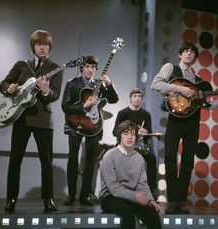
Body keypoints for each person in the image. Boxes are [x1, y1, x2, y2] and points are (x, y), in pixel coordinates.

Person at [151, 41, 218, 214]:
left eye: (192, 52)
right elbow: (155, 84)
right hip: (175, 121)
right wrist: (179, 89)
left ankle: (181, 201)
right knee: (169, 159)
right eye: (186, 50)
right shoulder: (170, 68)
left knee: (187, 162)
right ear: (180, 54)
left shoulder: (198, 81)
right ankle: (172, 200)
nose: (189, 53)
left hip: (192, 122)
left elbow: (204, 105)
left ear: (195, 57)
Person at [0, 30, 62, 212]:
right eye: (38, 44)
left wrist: (45, 90)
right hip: (21, 118)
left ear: (50, 47)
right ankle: (11, 199)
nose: (42, 47)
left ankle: (48, 199)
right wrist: (8, 87)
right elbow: (3, 84)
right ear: (33, 46)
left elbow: (54, 95)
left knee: (46, 162)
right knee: (15, 160)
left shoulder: (55, 68)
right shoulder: (21, 65)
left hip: (43, 120)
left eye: (46, 44)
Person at [61, 55, 119, 206]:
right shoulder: (72, 84)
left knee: (90, 161)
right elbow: (65, 107)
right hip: (75, 124)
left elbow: (114, 99)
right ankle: (71, 195)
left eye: (93, 67)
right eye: (87, 66)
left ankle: (85, 196)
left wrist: (110, 83)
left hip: (94, 125)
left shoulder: (100, 85)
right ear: (82, 67)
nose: (90, 69)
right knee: (73, 157)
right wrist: (83, 107)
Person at [99, 120, 162, 229]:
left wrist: (150, 200)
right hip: (110, 197)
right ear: (120, 137)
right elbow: (113, 188)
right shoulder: (109, 156)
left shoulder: (139, 158)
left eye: (132, 134)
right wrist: (135, 196)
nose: (129, 137)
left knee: (153, 216)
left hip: (131, 197)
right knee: (128, 215)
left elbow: (142, 184)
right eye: (126, 134)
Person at [113, 88, 158, 198]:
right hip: (124, 145)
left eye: (139, 96)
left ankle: (151, 190)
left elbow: (149, 133)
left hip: (140, 145)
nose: (137, 98)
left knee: (152, 158)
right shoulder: (122, 113)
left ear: (142, 99)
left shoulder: (146, 115)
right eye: (135, 96)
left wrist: (145, 132)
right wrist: (126, 131)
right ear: (130, 98)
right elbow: (115, 132)